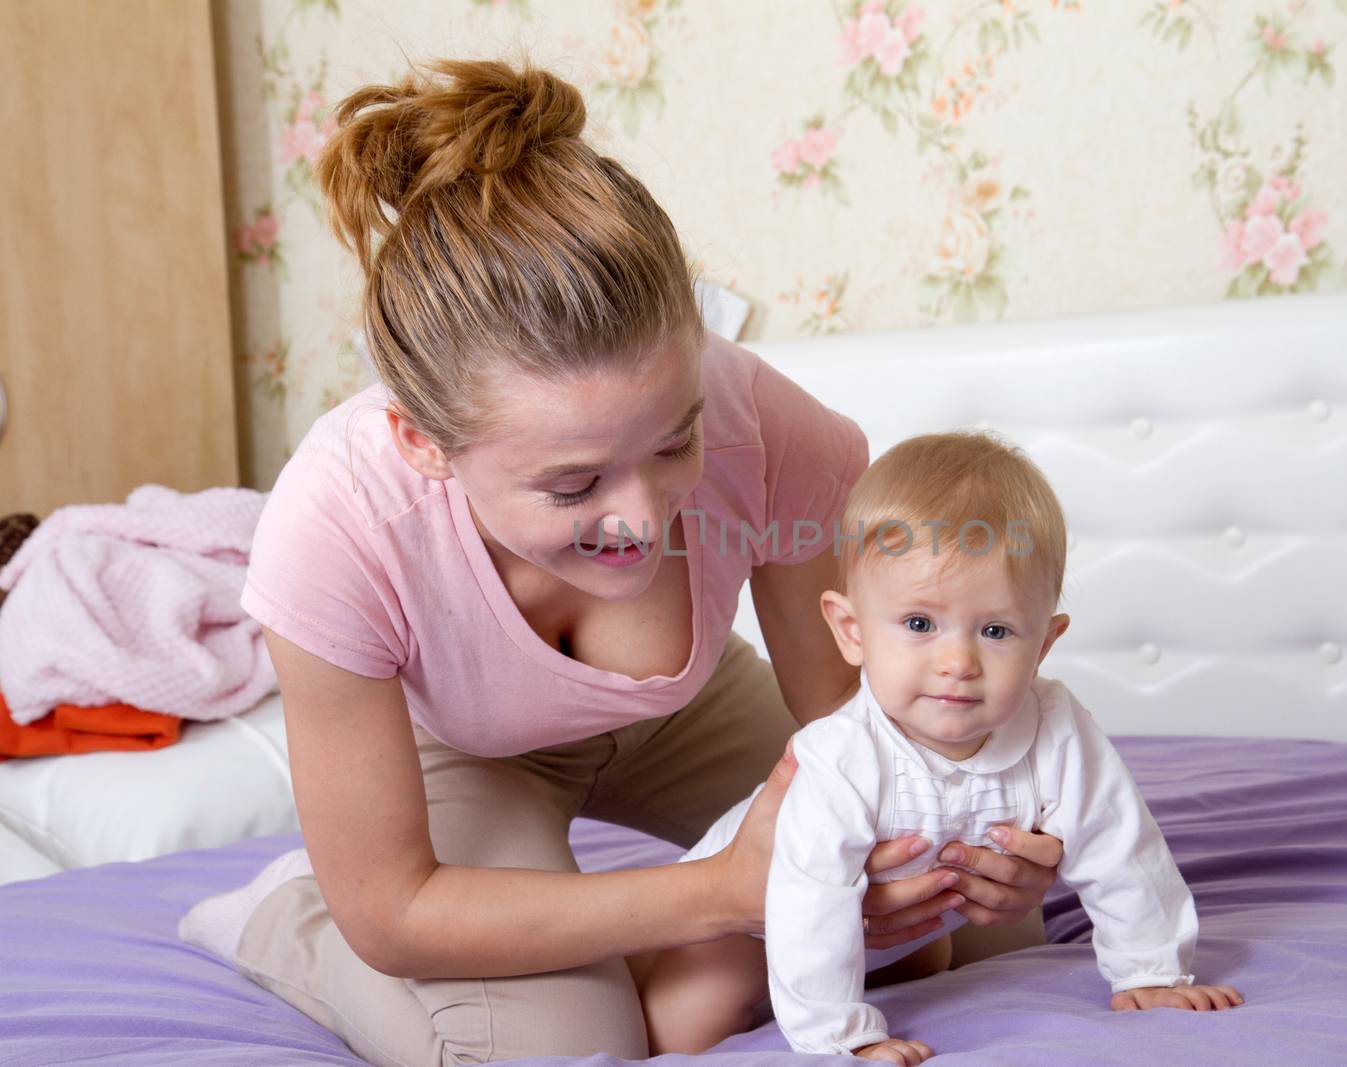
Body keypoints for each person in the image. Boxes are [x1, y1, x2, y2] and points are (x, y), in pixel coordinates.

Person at [175, 59, 1067, 1065]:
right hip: (464, 753)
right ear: (426, 442)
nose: (642, 519)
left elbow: (855, 727)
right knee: (563, 1046)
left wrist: (937, 860)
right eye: (572, 484)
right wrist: (722, 893)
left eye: (674, 441)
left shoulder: (773, 432)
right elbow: (396, 908)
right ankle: (288, 916)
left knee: (978, 936)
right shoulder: (337, 526)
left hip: (681, 710)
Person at [638, 432, 1244, 1063]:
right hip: (750, 920)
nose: (958, 662)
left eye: (996, 630)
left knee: (929, 960)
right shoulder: (842, 756)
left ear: (1043, 644)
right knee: (694, 1020)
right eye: (920, 624)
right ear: (852, 631)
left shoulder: (1056, 726)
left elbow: (1120, 843)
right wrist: (841, 1040)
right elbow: (810, 904)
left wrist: (1149, 969)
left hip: (903, 924)